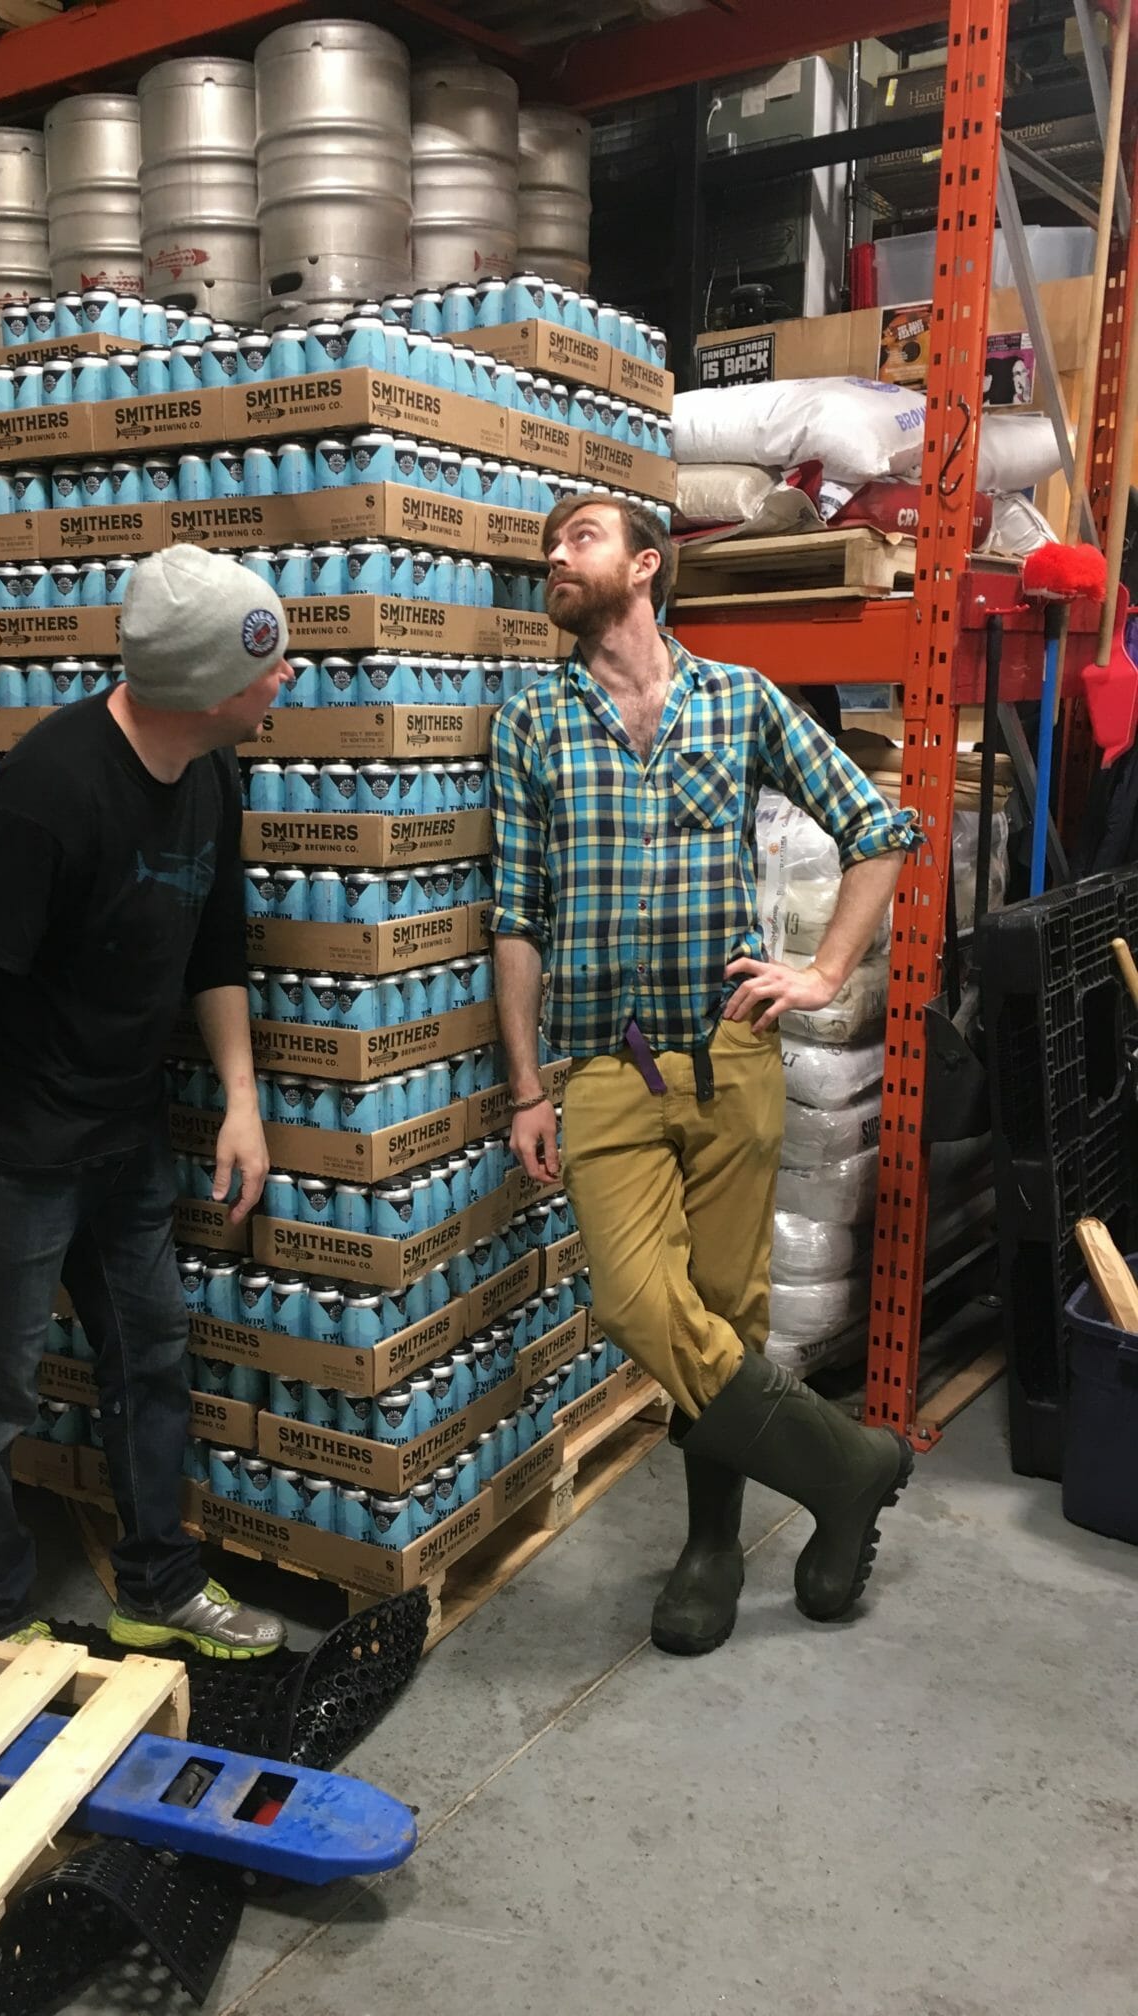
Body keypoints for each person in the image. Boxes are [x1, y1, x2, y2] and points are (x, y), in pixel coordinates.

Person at [489, 496, 920, 1658]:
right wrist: (527, 1088)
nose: (554, 555)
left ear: (646, 565)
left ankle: (712, 1549)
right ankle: (848, 1465)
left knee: (728, 1312)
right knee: (639, 1305)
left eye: (579, 537)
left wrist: (823, 971)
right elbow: (517, 918)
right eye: (551, 544)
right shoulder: (532, 722)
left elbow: (880, 830)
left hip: (730, 1056)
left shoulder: (740, 701)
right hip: (605, 1067)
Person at [0, 545, 289, 1657]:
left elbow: (214, 947)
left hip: (124, 1134)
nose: (286, 681)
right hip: (22, 1151)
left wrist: (240, 1100)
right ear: (207, 690)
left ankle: (156, 1587)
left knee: (152, 1359)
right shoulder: (51, 790)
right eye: (267, 667)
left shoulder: (210, 771)